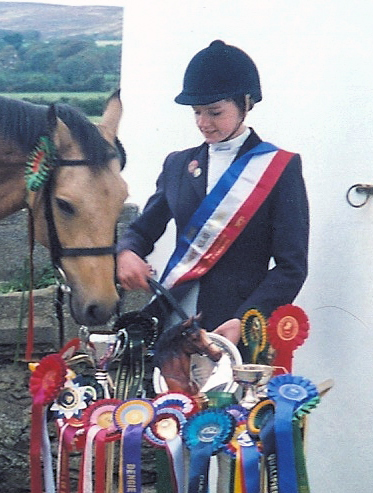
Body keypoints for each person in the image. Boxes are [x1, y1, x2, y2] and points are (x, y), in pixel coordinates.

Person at [116, 40, 309, 348]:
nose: (204, 123)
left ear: (245, 104)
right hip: (172, 320)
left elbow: (292, 267)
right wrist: (126, 252)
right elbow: (142, 229)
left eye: (215, 112)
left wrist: (248, 318)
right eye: (197, 112)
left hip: (232, 328)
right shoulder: (178, 164)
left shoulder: (280, 168)